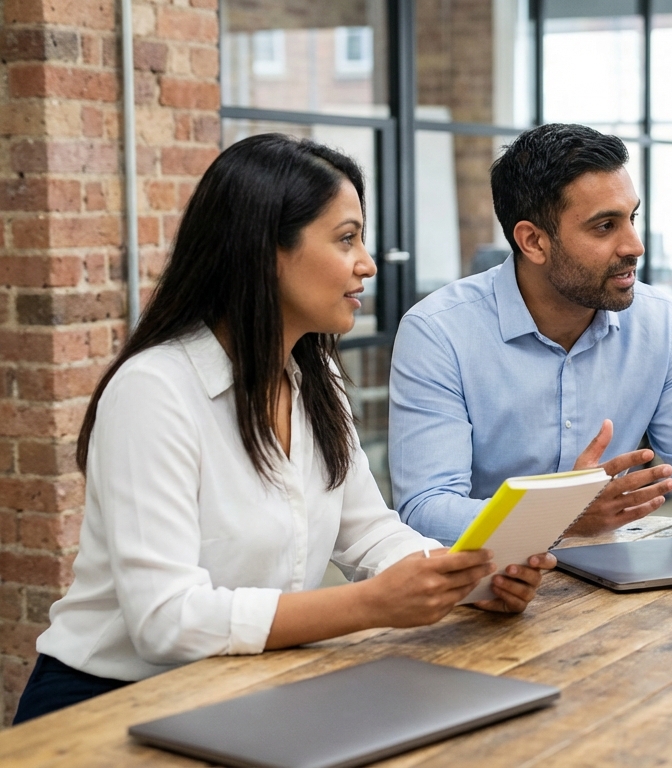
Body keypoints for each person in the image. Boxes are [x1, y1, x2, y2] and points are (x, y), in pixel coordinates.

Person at [13, 135, 554, 724]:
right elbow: (165, 621)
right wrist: (370, 606)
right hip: (105, 706)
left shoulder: (312, 373)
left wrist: (470, 580)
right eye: (346, 238)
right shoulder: (155, 390)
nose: (367, 263)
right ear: (264, 251)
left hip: (245, 688)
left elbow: (370, 534)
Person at [388, 123, 672, 545]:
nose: (635, 245)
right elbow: (427, 510)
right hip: (481, 585)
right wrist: (558, 517)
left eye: (632, 217)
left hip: (606, 582)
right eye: (605, 226)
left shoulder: (659, 322)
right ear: (533, 241)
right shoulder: (439, 332)